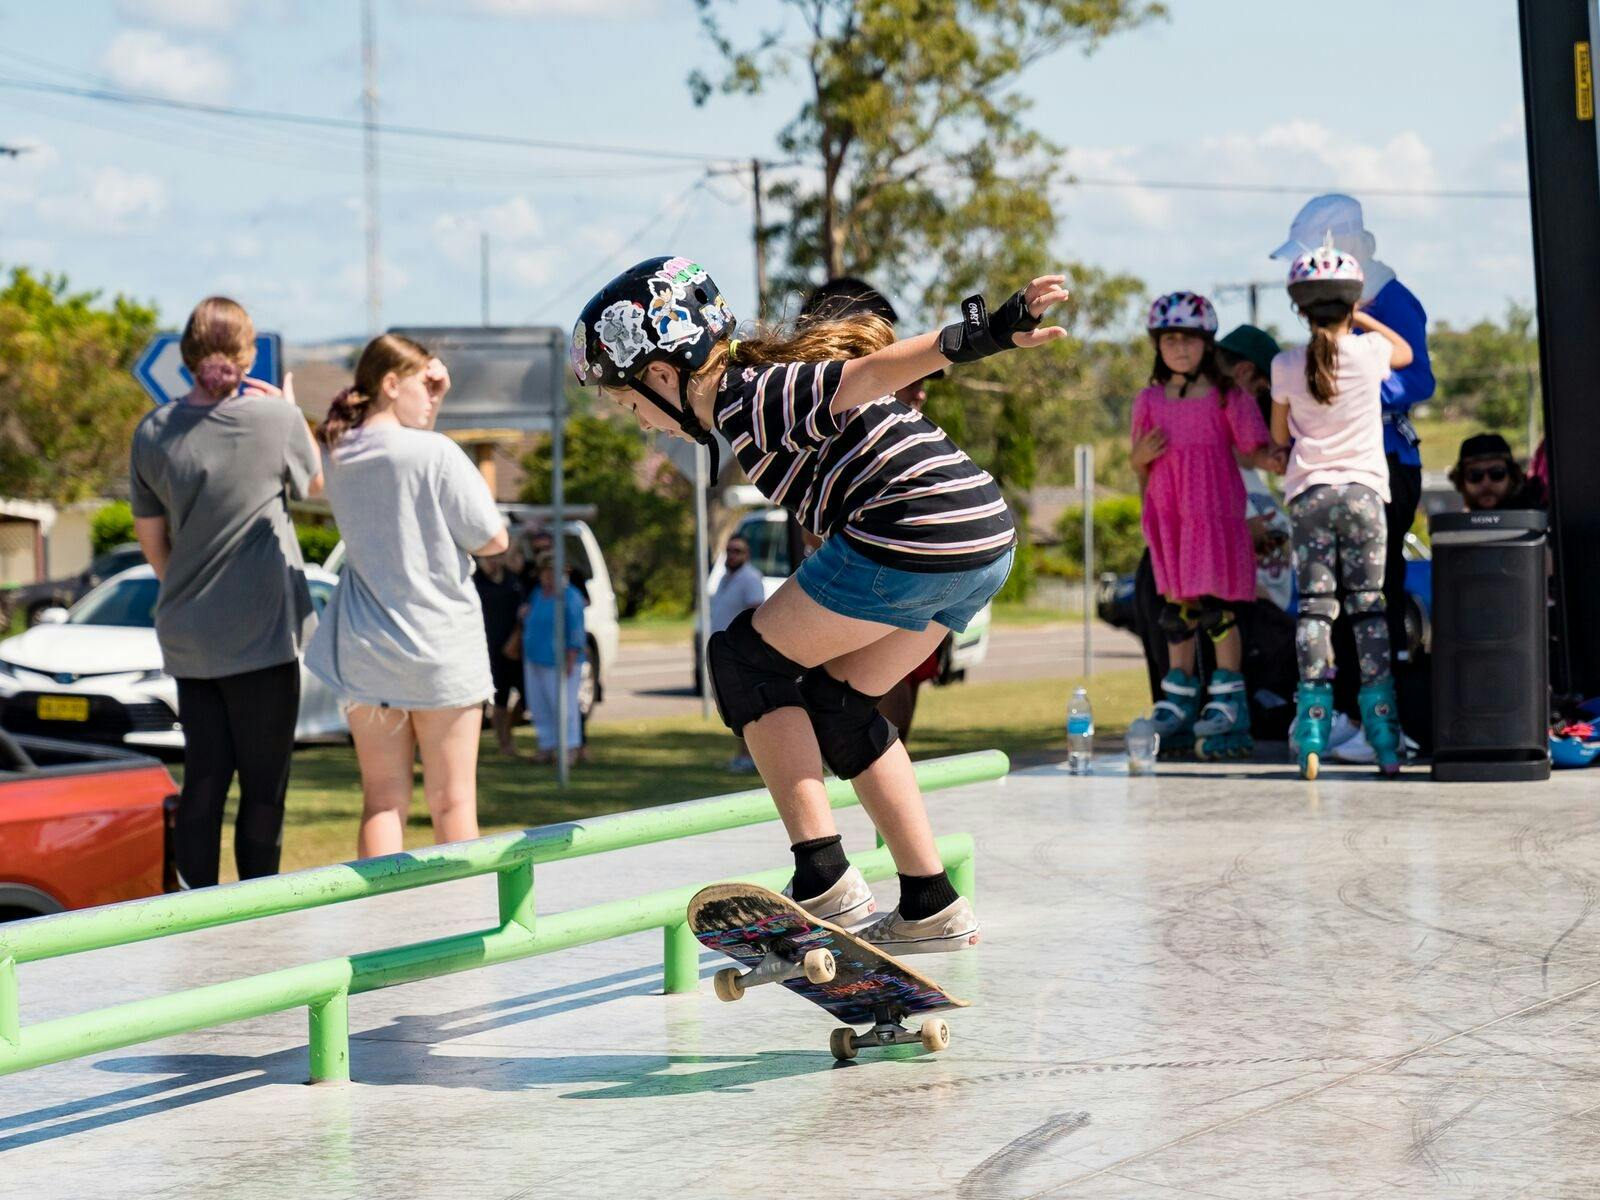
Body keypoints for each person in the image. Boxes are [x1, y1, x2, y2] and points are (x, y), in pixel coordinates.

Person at [572, 255, 1063, 953]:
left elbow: (865, 375)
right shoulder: (753, 398)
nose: (643, 423)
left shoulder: (750, 395)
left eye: (630, 404)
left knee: (743, 660)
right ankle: (930, 902)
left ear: (661, 374)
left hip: (911, 531)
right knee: (838, 705)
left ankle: (824, 875)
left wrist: (979, 336)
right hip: (981, 541)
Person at [129, 296, 321, 888]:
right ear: (247, 354)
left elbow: (153, 544)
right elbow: (313, 482)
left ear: (187, 356)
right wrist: (290, 411)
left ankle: (193, 915)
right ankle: (256, 916)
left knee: (204, 782)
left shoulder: (154, 432)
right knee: (263, 790)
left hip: (190, 635)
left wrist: (189, 591)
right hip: (264, 633)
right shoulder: (275, 421)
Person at [305, 335, 509, 859]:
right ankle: (462, 922)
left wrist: (425, 398)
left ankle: (382, 926)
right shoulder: (435, 452)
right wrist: (431, 422)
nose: (434, 394)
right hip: (441, 647)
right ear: (392, 384)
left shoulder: (342, 454)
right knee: (453, 803)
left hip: (366, 648)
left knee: (381, 802)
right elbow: (493, 539)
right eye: (427, 384)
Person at [1270, 195, 1434, 689]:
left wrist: (1353, 389)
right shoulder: (1341, 333)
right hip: (1337, 475)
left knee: (1372, 592)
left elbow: (1419, 378)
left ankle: (1377, 711)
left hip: (1381, 464)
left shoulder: (1391, 301)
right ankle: (1342, 707)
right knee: (1327, 595)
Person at [1269, 242, 1414, 779]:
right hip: (1364, 494)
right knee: (1369, 610)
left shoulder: (1284, 364)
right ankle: (1385, 739)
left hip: (1309, 495)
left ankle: (1310, 732)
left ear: (1299, 308)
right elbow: (1404, 353)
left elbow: (1277, 435)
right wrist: (1361, 317)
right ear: (1349, 303)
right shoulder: (1368, 353)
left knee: (1315, 609)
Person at [1129, 292, 1284, 760]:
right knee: (1178, 612)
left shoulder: (1226, 396)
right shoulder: (1149, 400)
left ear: (1206, 344)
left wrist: (1276, 458)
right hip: (1171, 520)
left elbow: (1252, 447)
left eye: (1189, 340)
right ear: (1158, 345)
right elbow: (1141, 466)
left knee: (1219, 612)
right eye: (1170, 339)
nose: (1179, 348)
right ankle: (1178, 702)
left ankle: (1228, 702)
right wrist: (1137, 461)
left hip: (1214, 517)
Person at [798, 276, 950, 743]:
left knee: (889, 695)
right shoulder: (821, 414)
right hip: (864, 574)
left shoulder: (898, 422)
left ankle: (889, 797)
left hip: (915, 572)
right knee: (854, 703)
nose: (916, 388)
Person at [522, 551, 586, 766]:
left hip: (560, 661)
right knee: (539, 705)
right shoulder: (538, 593)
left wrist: (570, 659)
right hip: (535, 658)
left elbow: (576, 631)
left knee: (564, 707)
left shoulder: (570, 596)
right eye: (545, 571)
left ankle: (570, 748)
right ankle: (547, 746)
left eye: (552, 571)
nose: (548, 576)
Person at [709, 534, 766, 771]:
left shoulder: (750, 578)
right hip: (724, 651)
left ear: (747, 555)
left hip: (741, 652)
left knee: (745, 705)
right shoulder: (724, 579)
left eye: (738, 551)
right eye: (730, 550)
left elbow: (755, 611)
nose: (732, 555)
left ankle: (750, 757)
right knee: (732, 706)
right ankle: (742, 755)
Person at [474, 548, 525, 756]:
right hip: (487, 650)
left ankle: (508, 734)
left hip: (513, 648)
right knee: (499, 699)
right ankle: (504, 742)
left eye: (496, 556)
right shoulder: (475, 581)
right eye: (488, 558)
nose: (493, 562)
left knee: (527, 696)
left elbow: (523, 610)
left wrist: (517, 637)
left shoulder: (513, 581)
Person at [1449, 432, 1539, 512]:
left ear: (1512, 477)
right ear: (1461, 481)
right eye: (1475, 476)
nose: (1486, 483)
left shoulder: (1537, 519)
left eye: (1497, 473)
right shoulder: (1455, 527)